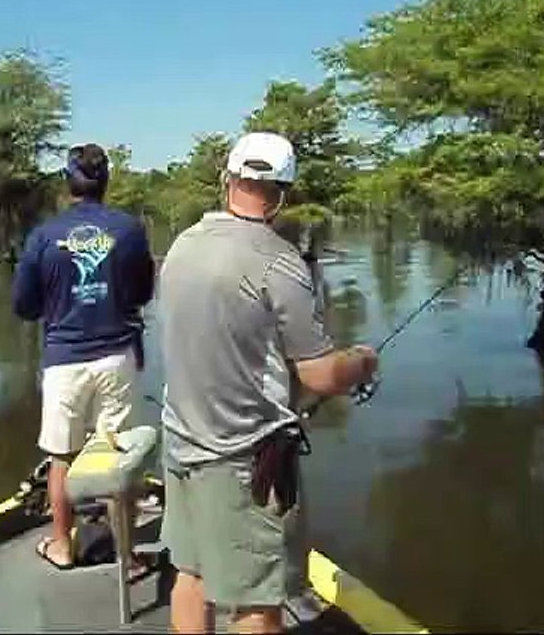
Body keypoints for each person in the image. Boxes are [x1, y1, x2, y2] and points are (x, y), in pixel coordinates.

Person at [157, 132, 379, 633]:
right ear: (283, 192)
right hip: (242, 460)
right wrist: (362, 361)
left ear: (228, 179)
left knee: (190, 577)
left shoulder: (183, 244)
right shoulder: (280, 263)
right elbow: (321, 374)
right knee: (258, 604)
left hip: (180, 443)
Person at [11, 142, 156, 571]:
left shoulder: (41, 237)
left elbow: (23, 306)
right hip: (117, 358)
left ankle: (61, 545)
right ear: (106, 181)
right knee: (119, 455)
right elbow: (144, 293)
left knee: (61, 458)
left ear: (67, 183)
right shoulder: (129, 230)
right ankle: (126, 554)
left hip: (63, 362)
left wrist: (59, 301)